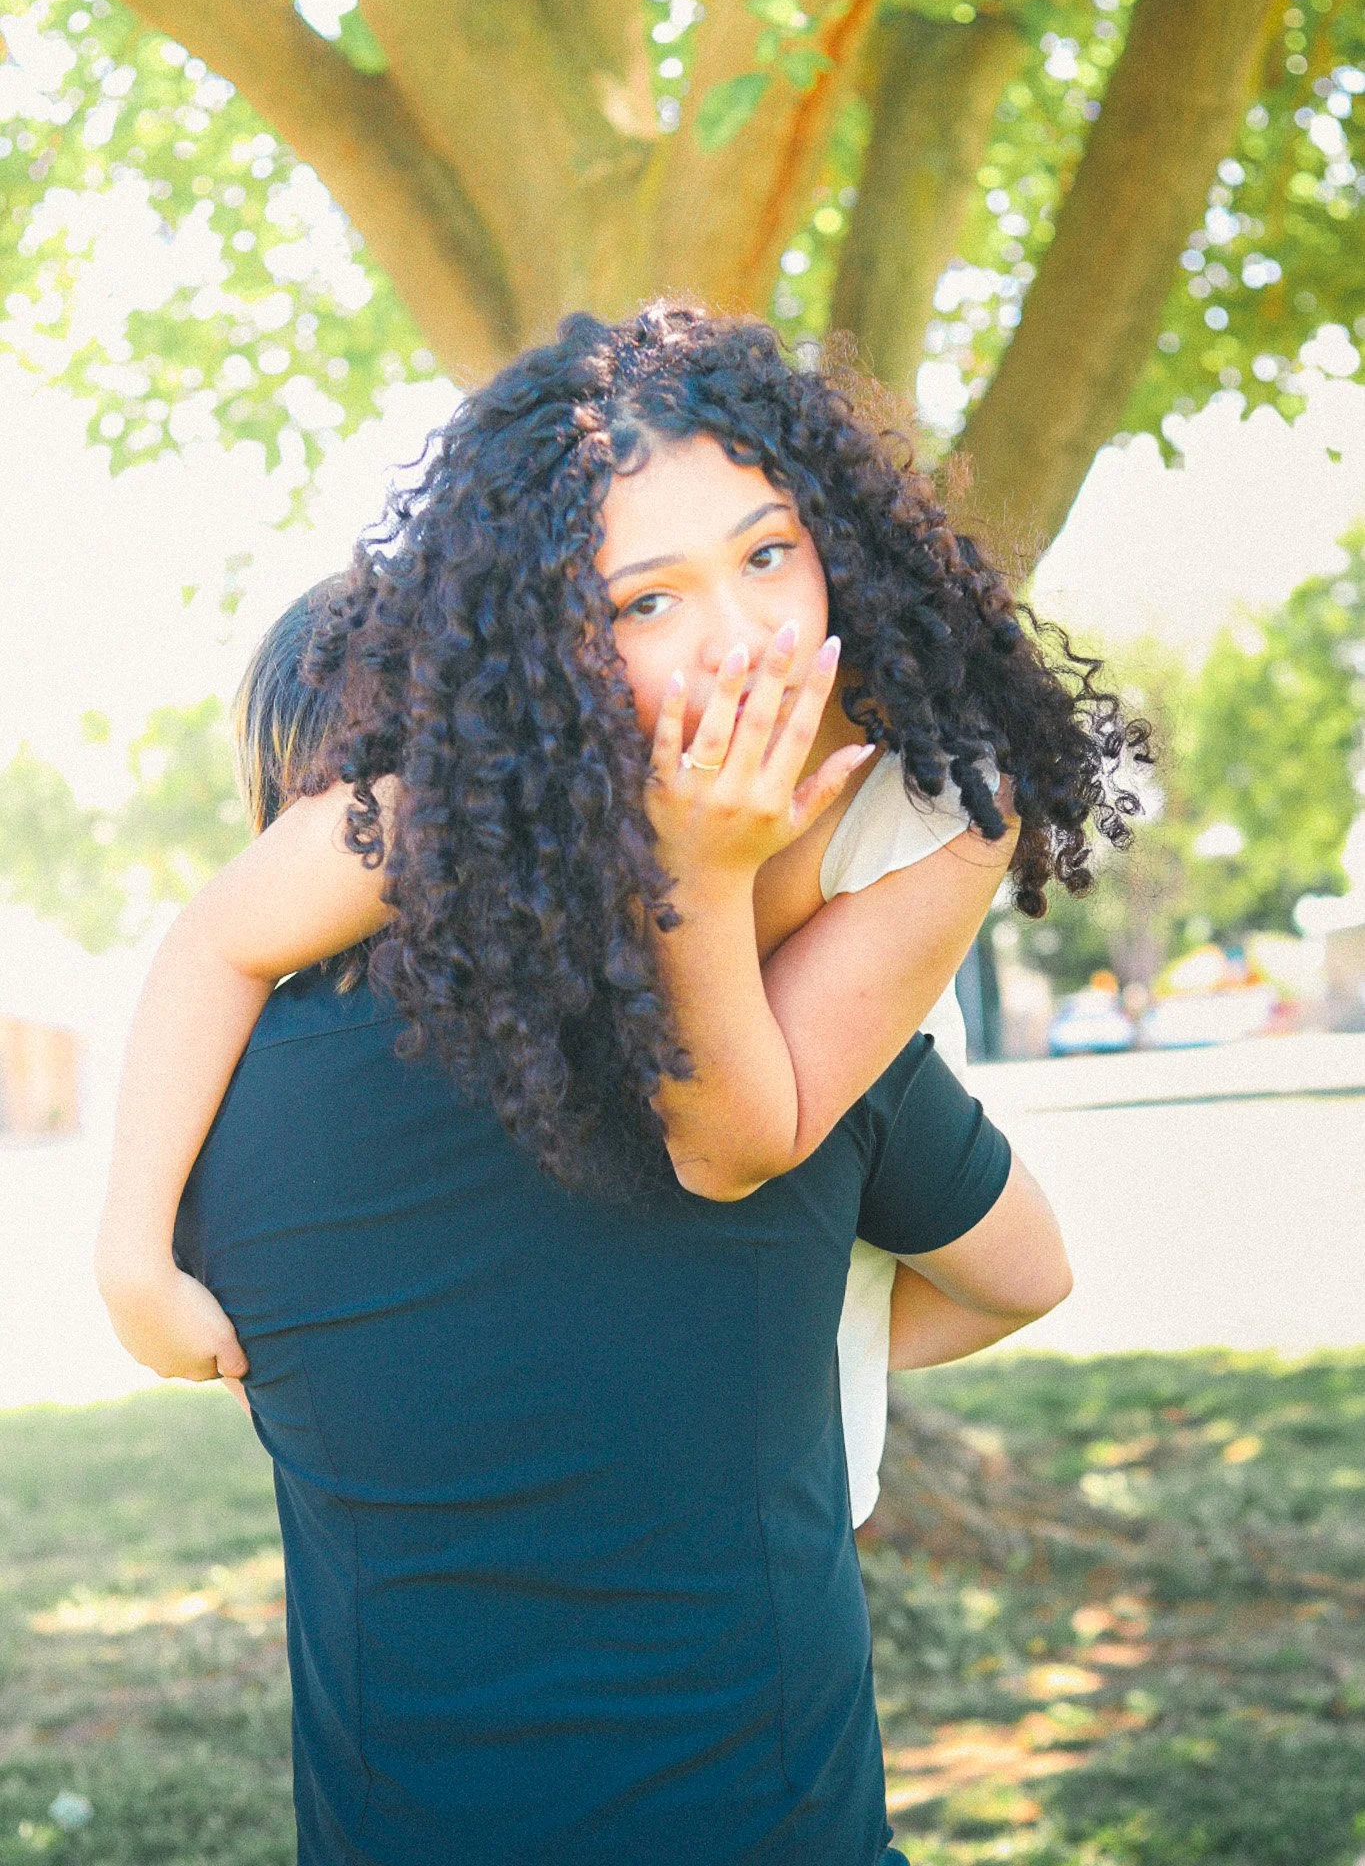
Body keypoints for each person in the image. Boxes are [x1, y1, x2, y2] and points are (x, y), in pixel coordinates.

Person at [98, 302, 1143, 1514]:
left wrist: (701, 873)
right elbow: (218, 935)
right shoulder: (506, 780)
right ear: (570, 638)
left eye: (766, 554)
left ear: (837, 539)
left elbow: (739, 1146)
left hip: (789, 1288)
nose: (739, 637)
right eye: (648, 601)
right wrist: (133, 1254)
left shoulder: (947, 794)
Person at [171, 581, 1071, 1863]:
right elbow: (1022, 1275)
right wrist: (786, 1368)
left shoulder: (206, 1121)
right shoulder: (767, 1031)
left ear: (282, 807)